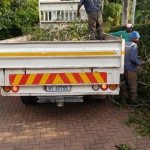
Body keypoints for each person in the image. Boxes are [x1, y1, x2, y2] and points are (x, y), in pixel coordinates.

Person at [120, 31, 144, 104]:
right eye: (138, 39)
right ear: (136, 38)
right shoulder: (134, 45)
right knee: (132, 86)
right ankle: (133, 101)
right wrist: (140, 62)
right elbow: (133, 58)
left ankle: (123, 101)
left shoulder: (123, 44)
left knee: (124, 85)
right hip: (131, 69)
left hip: (122, 68)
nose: (138, 40)